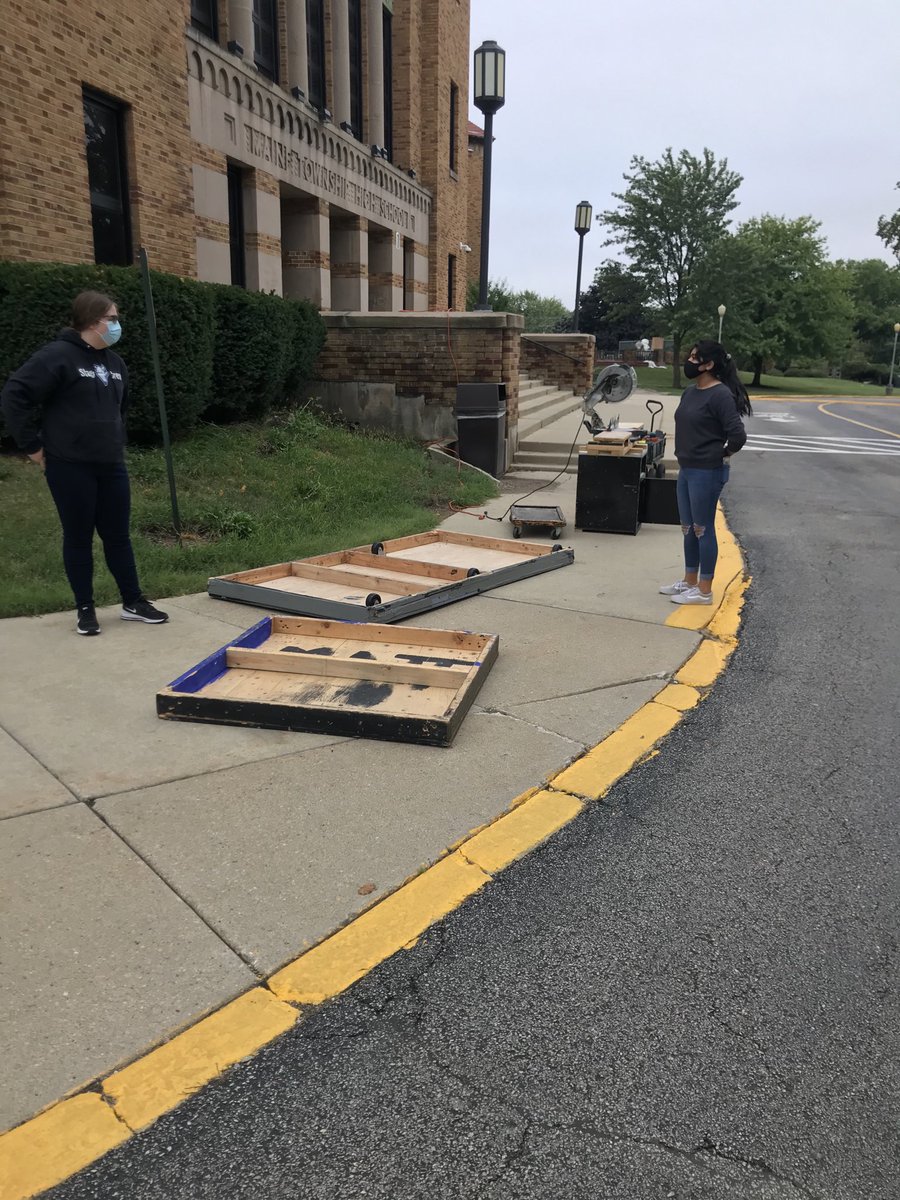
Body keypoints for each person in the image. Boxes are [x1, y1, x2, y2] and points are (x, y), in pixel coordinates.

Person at [0, 291, 169, 635]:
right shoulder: (57, 357)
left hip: (111, 464)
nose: (117, 325)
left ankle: (133, 601)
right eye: (113, 318)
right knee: (78, 537)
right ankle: (85, 608)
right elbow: (14, 395)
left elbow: (119, 408)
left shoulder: (115, 363)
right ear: (93, 321)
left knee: (118, 536)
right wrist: (32, 446)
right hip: (69, 465)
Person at [659, 339, 751, 606]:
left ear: (709, 365)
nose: (690, 360)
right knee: (688, 528)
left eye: (696, 357)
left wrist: (721, 454)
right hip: (687, 468)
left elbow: (737, 435)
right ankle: (689, 582)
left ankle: (704, 590)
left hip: (707, 471)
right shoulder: (690, 392)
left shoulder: (720, 394)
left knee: (703, 529)